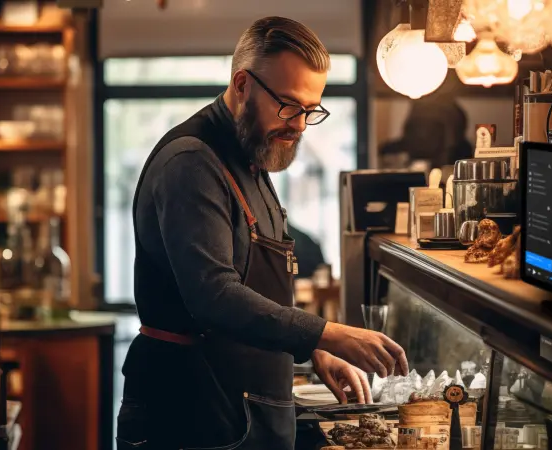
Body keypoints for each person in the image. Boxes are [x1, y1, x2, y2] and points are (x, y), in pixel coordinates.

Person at [118, 16, 408, 450]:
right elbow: (214, 295)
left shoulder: (250, 154)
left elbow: (259, 289)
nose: (300, 125)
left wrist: (313, 352)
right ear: (241, 85)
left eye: (312, 110)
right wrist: (326, 333)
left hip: (238, 409)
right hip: (191, 415)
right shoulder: (192, 163)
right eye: (289, 105)